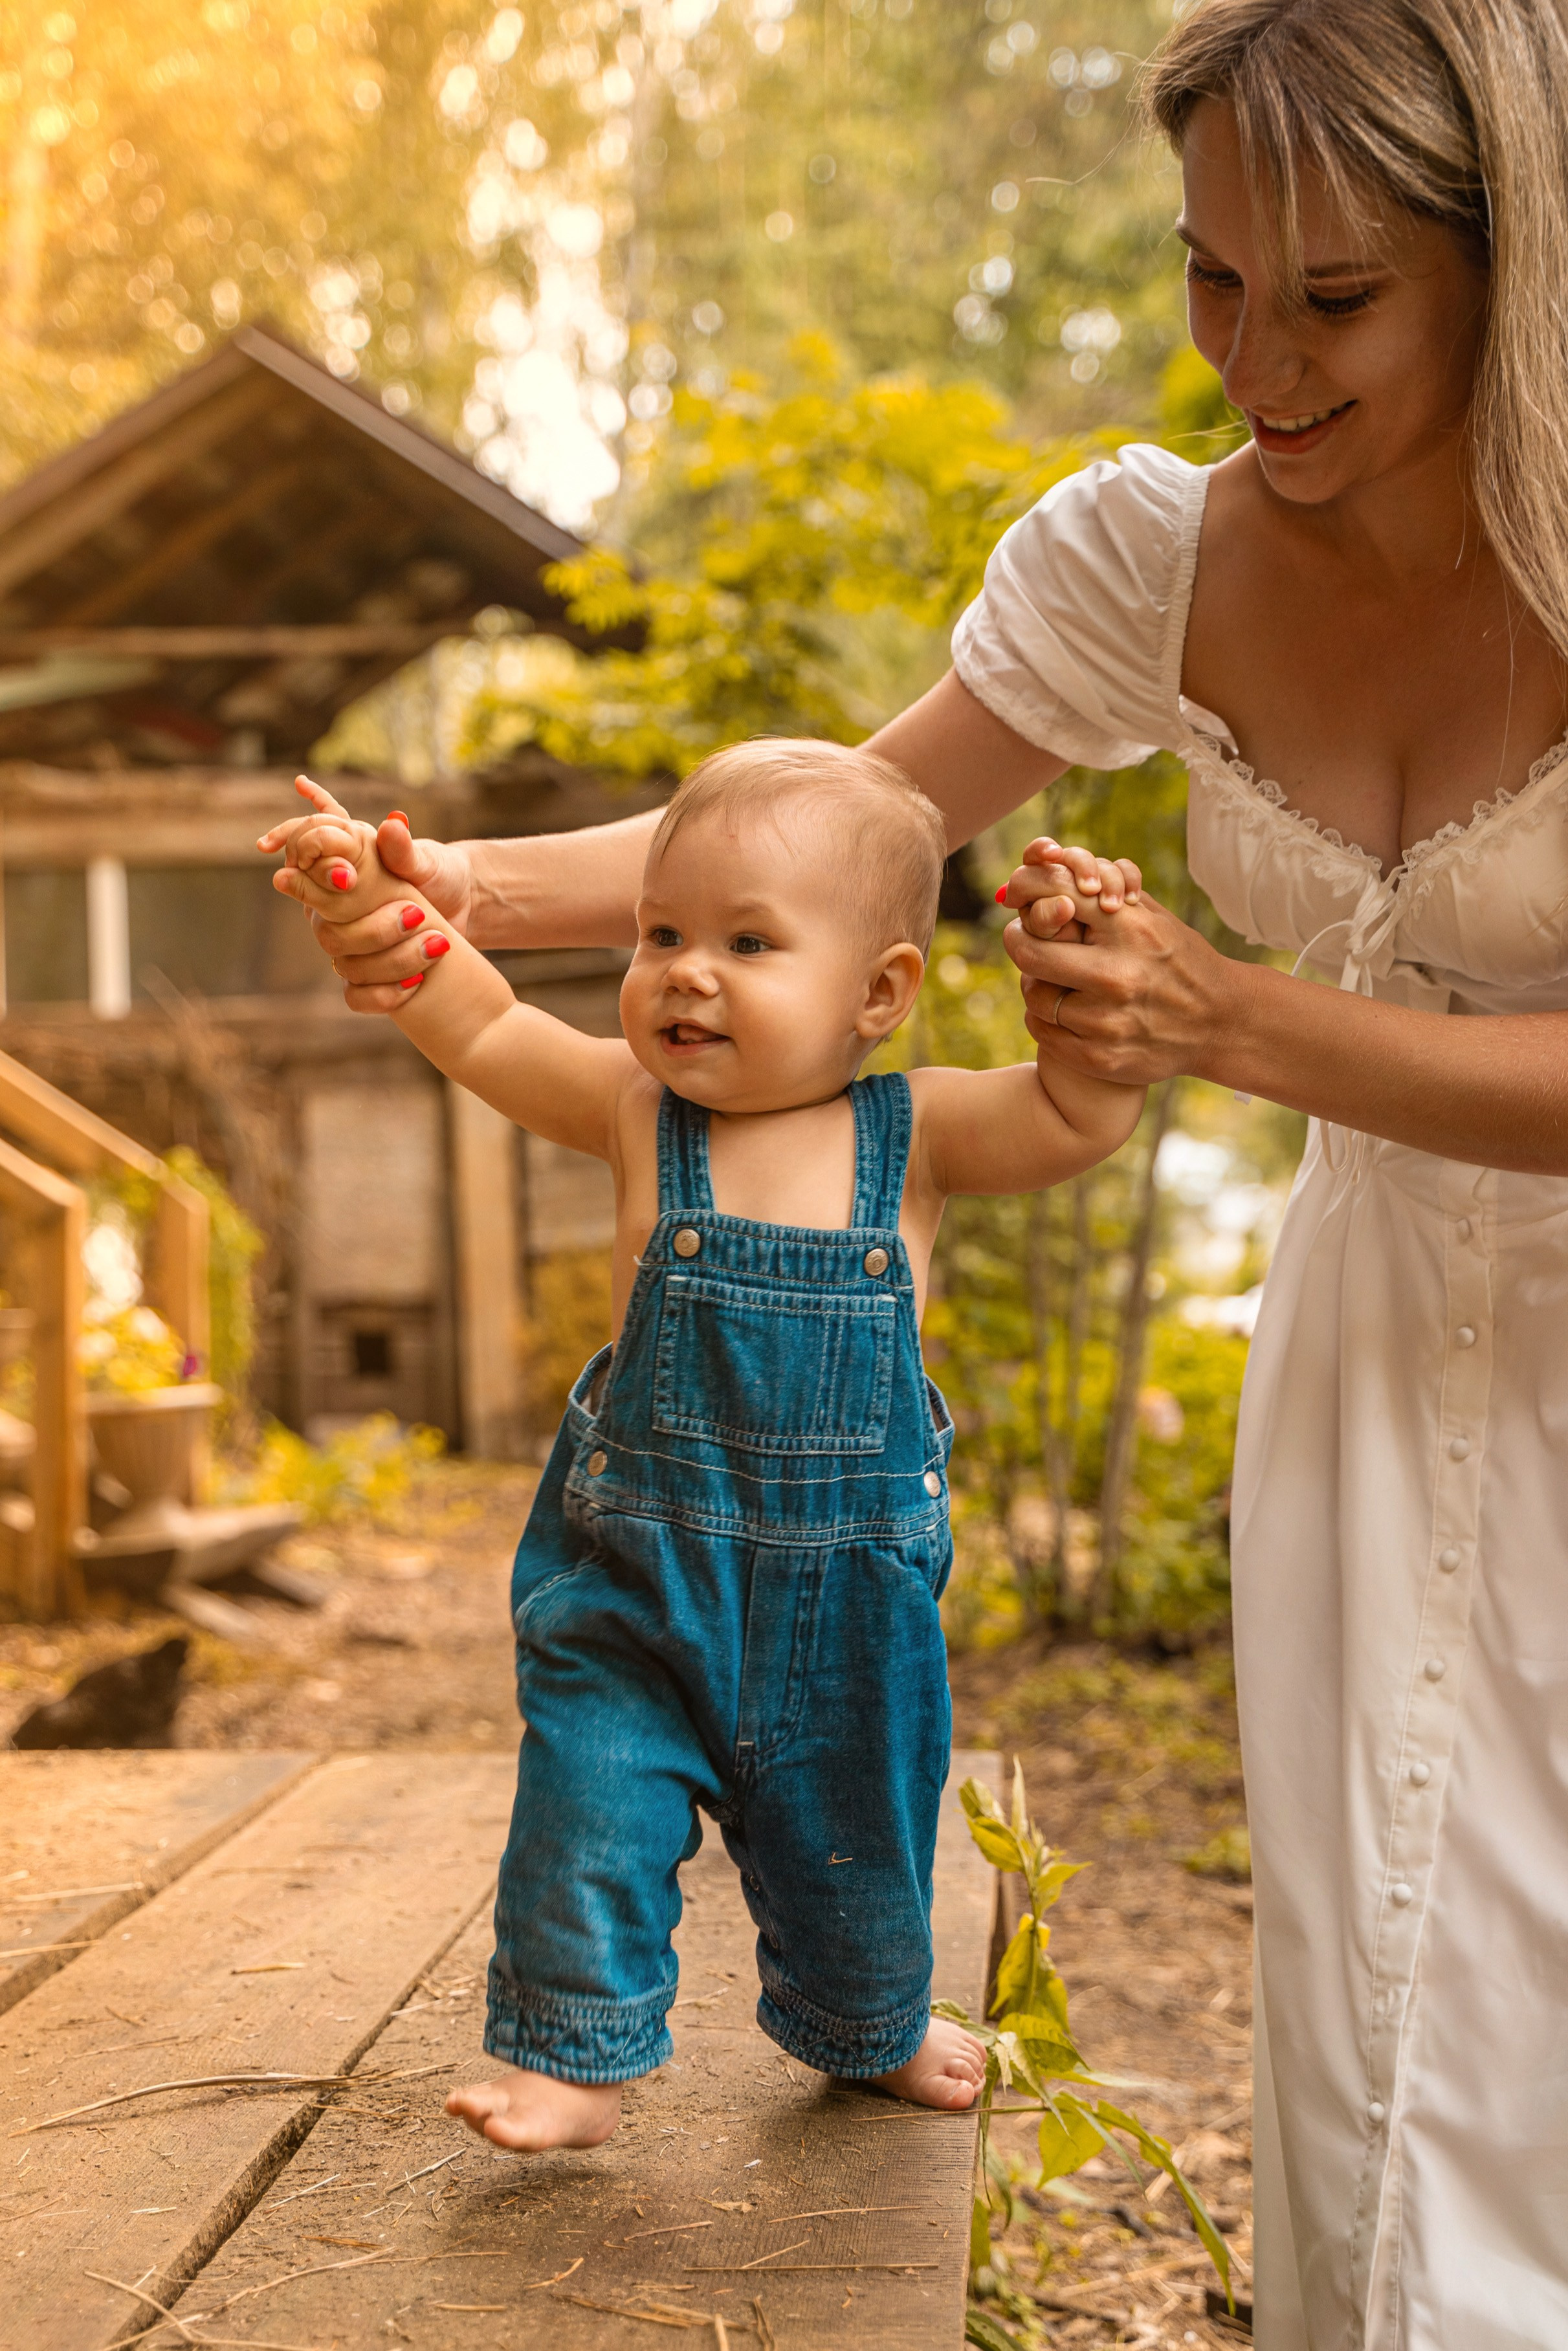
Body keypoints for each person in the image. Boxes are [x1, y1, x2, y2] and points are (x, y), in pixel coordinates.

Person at [267, 1, 1568, 2337]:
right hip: (1368, 1350)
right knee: (1380, 1963)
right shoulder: (1152, 562)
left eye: (1336, 294)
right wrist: (436, 872)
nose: (1252, 358)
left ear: (1522, 250)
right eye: (1209, 276)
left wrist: (1225, 1020)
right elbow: (814, 851)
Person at [261, 742, 1143, 2152]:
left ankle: (869, 2023)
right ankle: (572, 2048)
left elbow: (1074, 1109)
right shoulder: (633, 1108)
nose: (686, 971)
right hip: (637, 1579)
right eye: (660, 933)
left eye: (747, 941)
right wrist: (378, 904)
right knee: (585, 1803)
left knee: (860, 1834)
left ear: (880, 992)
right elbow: (483, 1025)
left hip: (848, 1604)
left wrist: (1091, 971)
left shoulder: (910, 1137)